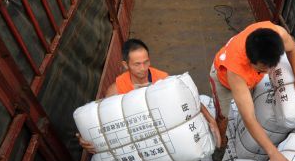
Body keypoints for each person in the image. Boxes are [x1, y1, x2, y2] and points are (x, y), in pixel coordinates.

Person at [209, 22, 295, 161]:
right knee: (223, 117)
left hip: (248, 79)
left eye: (270, 68)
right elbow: (249, 118)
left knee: (250, 100)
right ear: (250, 60)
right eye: (262, 69)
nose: (267, 72)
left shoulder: (277, 35)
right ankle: (221, 142)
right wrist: (273, 153)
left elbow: (293, 48)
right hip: (223, 81)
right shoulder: (236, 71)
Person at [78, 38, 221, 153]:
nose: (143, 68)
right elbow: (100, 119)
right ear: (125, 65)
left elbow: (189, 99)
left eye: (146, 62)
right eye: (137, 64)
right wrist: (84, 138)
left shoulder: (162, 79)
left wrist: (211, 120)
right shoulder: (116, 89)